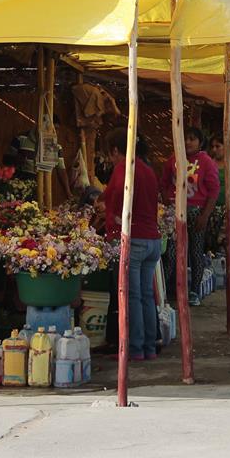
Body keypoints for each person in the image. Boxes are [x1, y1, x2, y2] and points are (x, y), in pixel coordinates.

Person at [101, 128, 161, 360]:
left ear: (117, 150)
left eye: (111, 153)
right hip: (152, 241)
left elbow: (115, 199)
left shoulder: (124, 168)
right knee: (147, 295)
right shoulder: (147, 169)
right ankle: (148, 347)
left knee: (132, 297)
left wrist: (110, 214)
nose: (112, 158)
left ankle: (134, 349)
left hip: (133, 239)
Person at [160, 127, 220, 306]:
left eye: (192, 138)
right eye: (185, 138)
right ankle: (166, 292)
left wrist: (205, 215)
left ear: (200, 142)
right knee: (170, 252)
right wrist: (167, 204)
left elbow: (214, 190)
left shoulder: (206, 162)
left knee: (195, 251)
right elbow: (163, 182)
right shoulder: (173, 159)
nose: (187, 142)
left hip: (196, 212)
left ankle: (194, 291)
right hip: (174, 212)